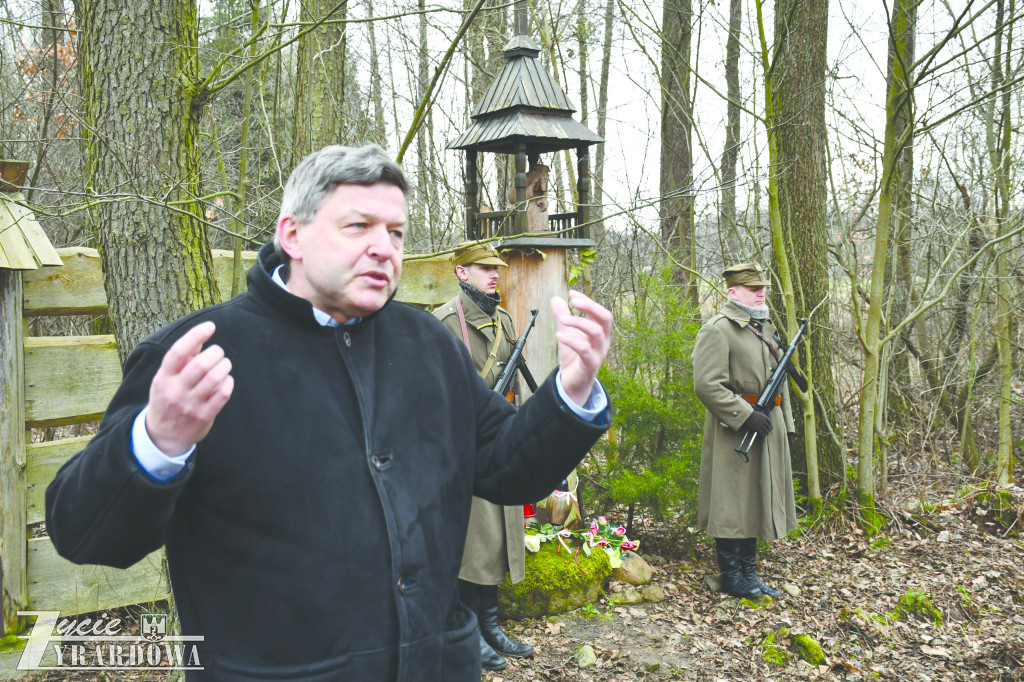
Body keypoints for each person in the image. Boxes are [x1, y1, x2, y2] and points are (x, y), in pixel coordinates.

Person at [45, 144, 613, 681]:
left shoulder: (428, 344)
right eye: (358, 226)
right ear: (292, 234)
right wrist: (157, 442)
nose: (383, 247)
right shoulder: (199, 353)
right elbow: (84, 534)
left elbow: (506, 465)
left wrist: (571, 390)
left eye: (396, 232)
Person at [433, 241, 531, 672]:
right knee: (472, 539)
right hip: (463, 446)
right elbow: (433, 394)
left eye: (497, 267)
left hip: (501, 438)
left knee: (498, 536)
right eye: (483, 267)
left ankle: (490, 625)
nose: (495, 273)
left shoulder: (505, 319)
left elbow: (517, 383)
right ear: (461, 273)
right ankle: (467, 630)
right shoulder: (444, 323)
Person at [692, 263, 796, 599]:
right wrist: (744, 415)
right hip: (734, 430)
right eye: (753, 288)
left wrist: (786, 425)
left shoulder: (765, 327)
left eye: (762, 287)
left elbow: (780, 379)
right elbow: (707, 385)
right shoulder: (718, 330)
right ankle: (732, 577)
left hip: (768, 425)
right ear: (733, 292)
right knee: (732, 502)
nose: (761, 292)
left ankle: (749, 574)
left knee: (754, 499)